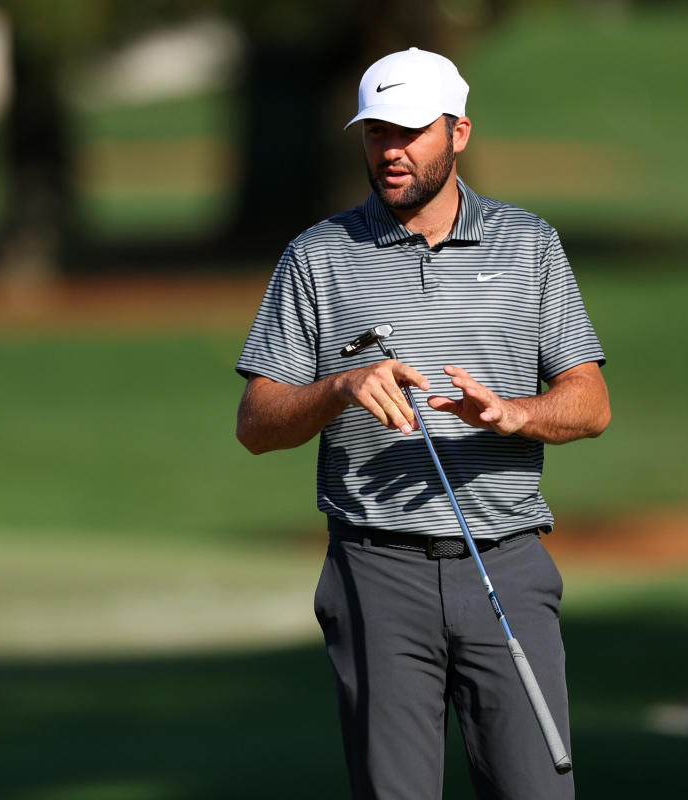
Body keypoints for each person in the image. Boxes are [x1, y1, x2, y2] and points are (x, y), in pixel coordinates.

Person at [235, 48, 610, 800]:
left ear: (459, 132)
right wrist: (338, 386)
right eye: (376, 132)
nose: (391, 151)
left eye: (410, 131)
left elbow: (590, 403)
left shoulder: (527, 244)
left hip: (505, 561)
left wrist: (515, 413)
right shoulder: (318, 256)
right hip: (374, 572)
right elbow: (257, 422)